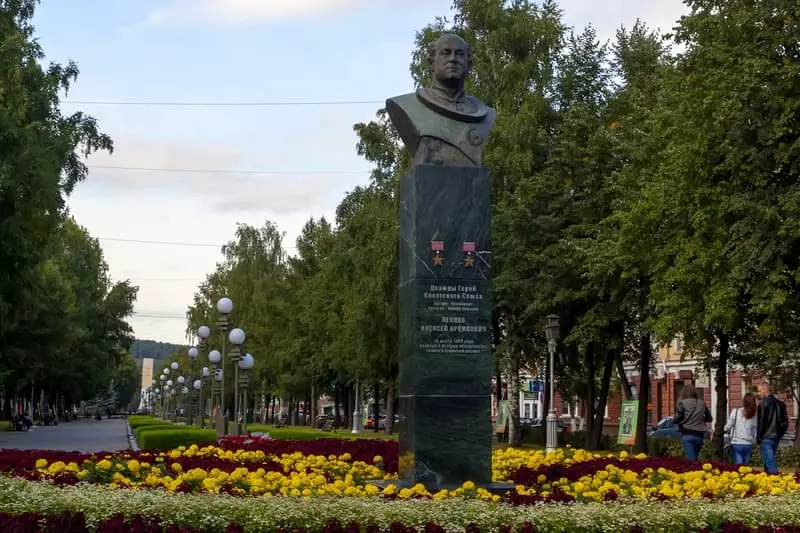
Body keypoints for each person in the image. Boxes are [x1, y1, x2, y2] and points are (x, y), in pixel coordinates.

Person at [674, 384, 713, 460]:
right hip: (699, 436)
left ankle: (695, 470)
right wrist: (700, 419)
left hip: (687, 434)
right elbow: (709, 418)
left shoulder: (682, 403)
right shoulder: (702, 403)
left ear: (683, 393)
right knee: (695, 458)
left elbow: (678, 418)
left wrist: (676, 421)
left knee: (692, 461)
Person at [756, 381, 788, 474]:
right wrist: (780, 434)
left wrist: (759, 438)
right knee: (768, 461)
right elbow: (785, 423)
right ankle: (768, 483)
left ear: (765, 390)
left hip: (766, 437)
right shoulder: (781, 404)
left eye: (759, 391)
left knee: (770, 462)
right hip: (776, 437)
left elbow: (761, 422)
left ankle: (777, 481)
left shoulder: (763, 403)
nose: (759, 393)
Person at [725, 393, 758, 465]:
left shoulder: (735, 412)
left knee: (738, 467)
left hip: (736, 442)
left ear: (744, 401)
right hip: (748, 443)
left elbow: (728, 426)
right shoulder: (754, 415)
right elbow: (755, 431)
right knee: (746, 468)